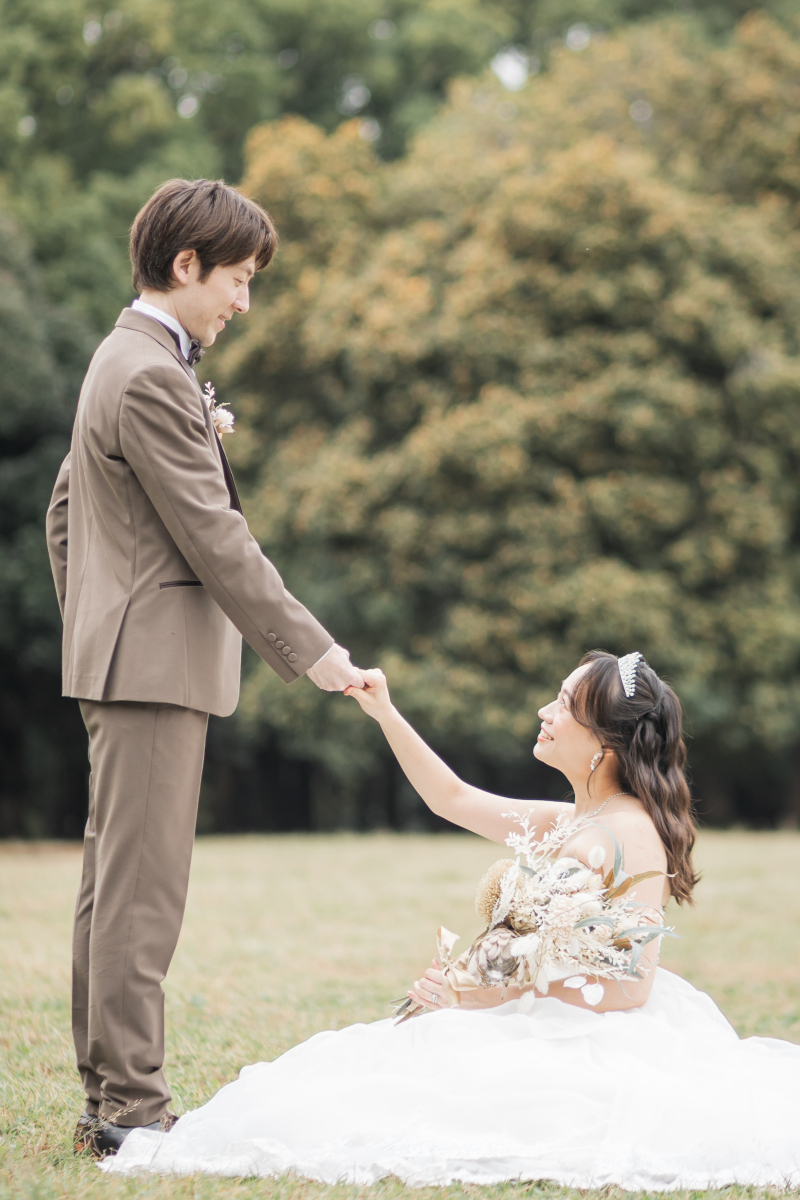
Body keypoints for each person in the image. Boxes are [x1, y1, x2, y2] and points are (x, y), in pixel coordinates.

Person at [101, 651, 800, 1188]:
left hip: (586, 1037)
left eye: (562, 704)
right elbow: (454, 798)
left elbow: (629, 987)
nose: (544, 712)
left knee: (395, 1089)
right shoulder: (587, 818)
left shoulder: (613, 834)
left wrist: (479, 988)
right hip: (540, 1012)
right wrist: (384, 711)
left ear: (604, 746)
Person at [45, 178, 365, 1161]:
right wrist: (310, 650)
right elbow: (216, 540)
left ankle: (111, 1097)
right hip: (151, 669)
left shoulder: (123, 358)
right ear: (185, 267)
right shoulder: (148, 374)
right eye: (236, 279)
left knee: (114, 888)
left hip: (126, 657)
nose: (243, 302)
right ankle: (131, 1113)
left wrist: (97, 620)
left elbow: (64, 514)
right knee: (141, 897)